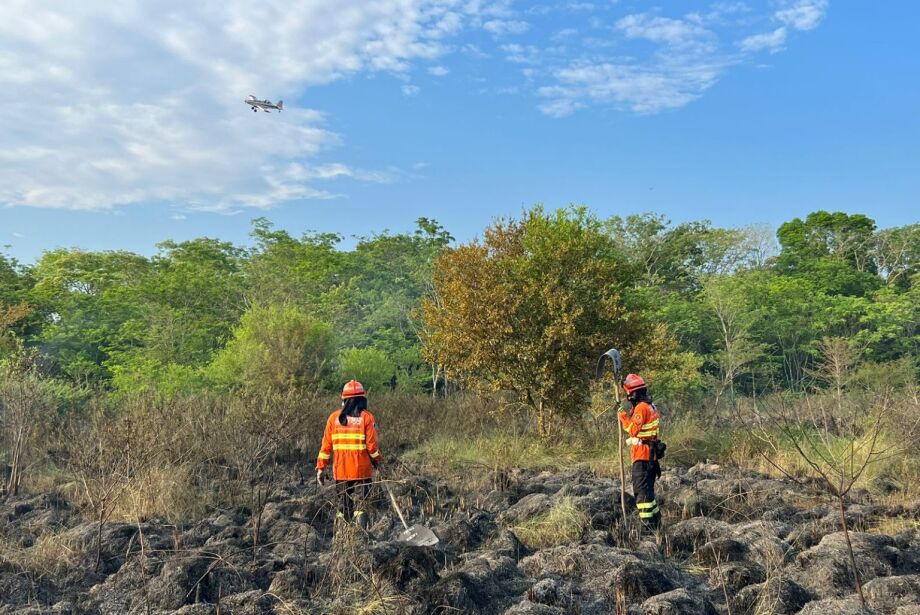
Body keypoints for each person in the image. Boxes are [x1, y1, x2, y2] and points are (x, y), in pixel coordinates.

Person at [316, 380, 383, 529]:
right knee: (361, 506)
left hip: (341, 473)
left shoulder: (334, 418)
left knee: (344, 507)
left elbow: (325, 447)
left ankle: (343, 538)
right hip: (362, 472)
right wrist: (378, 462)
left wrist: (321, 468)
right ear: (362, 399)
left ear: (343, 399)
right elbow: (372, 447)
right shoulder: (367, 417)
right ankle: (360, 538)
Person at [617, 373, 662, 530]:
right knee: (648, 492)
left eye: (628, 394)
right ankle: (657, 522)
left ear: (633, 394)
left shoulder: (642, 408)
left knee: (641, 493)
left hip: (642, 456)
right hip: (650, 456)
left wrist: (622, 414)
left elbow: (632, 430)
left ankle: (647, 526)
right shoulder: (651, 406)